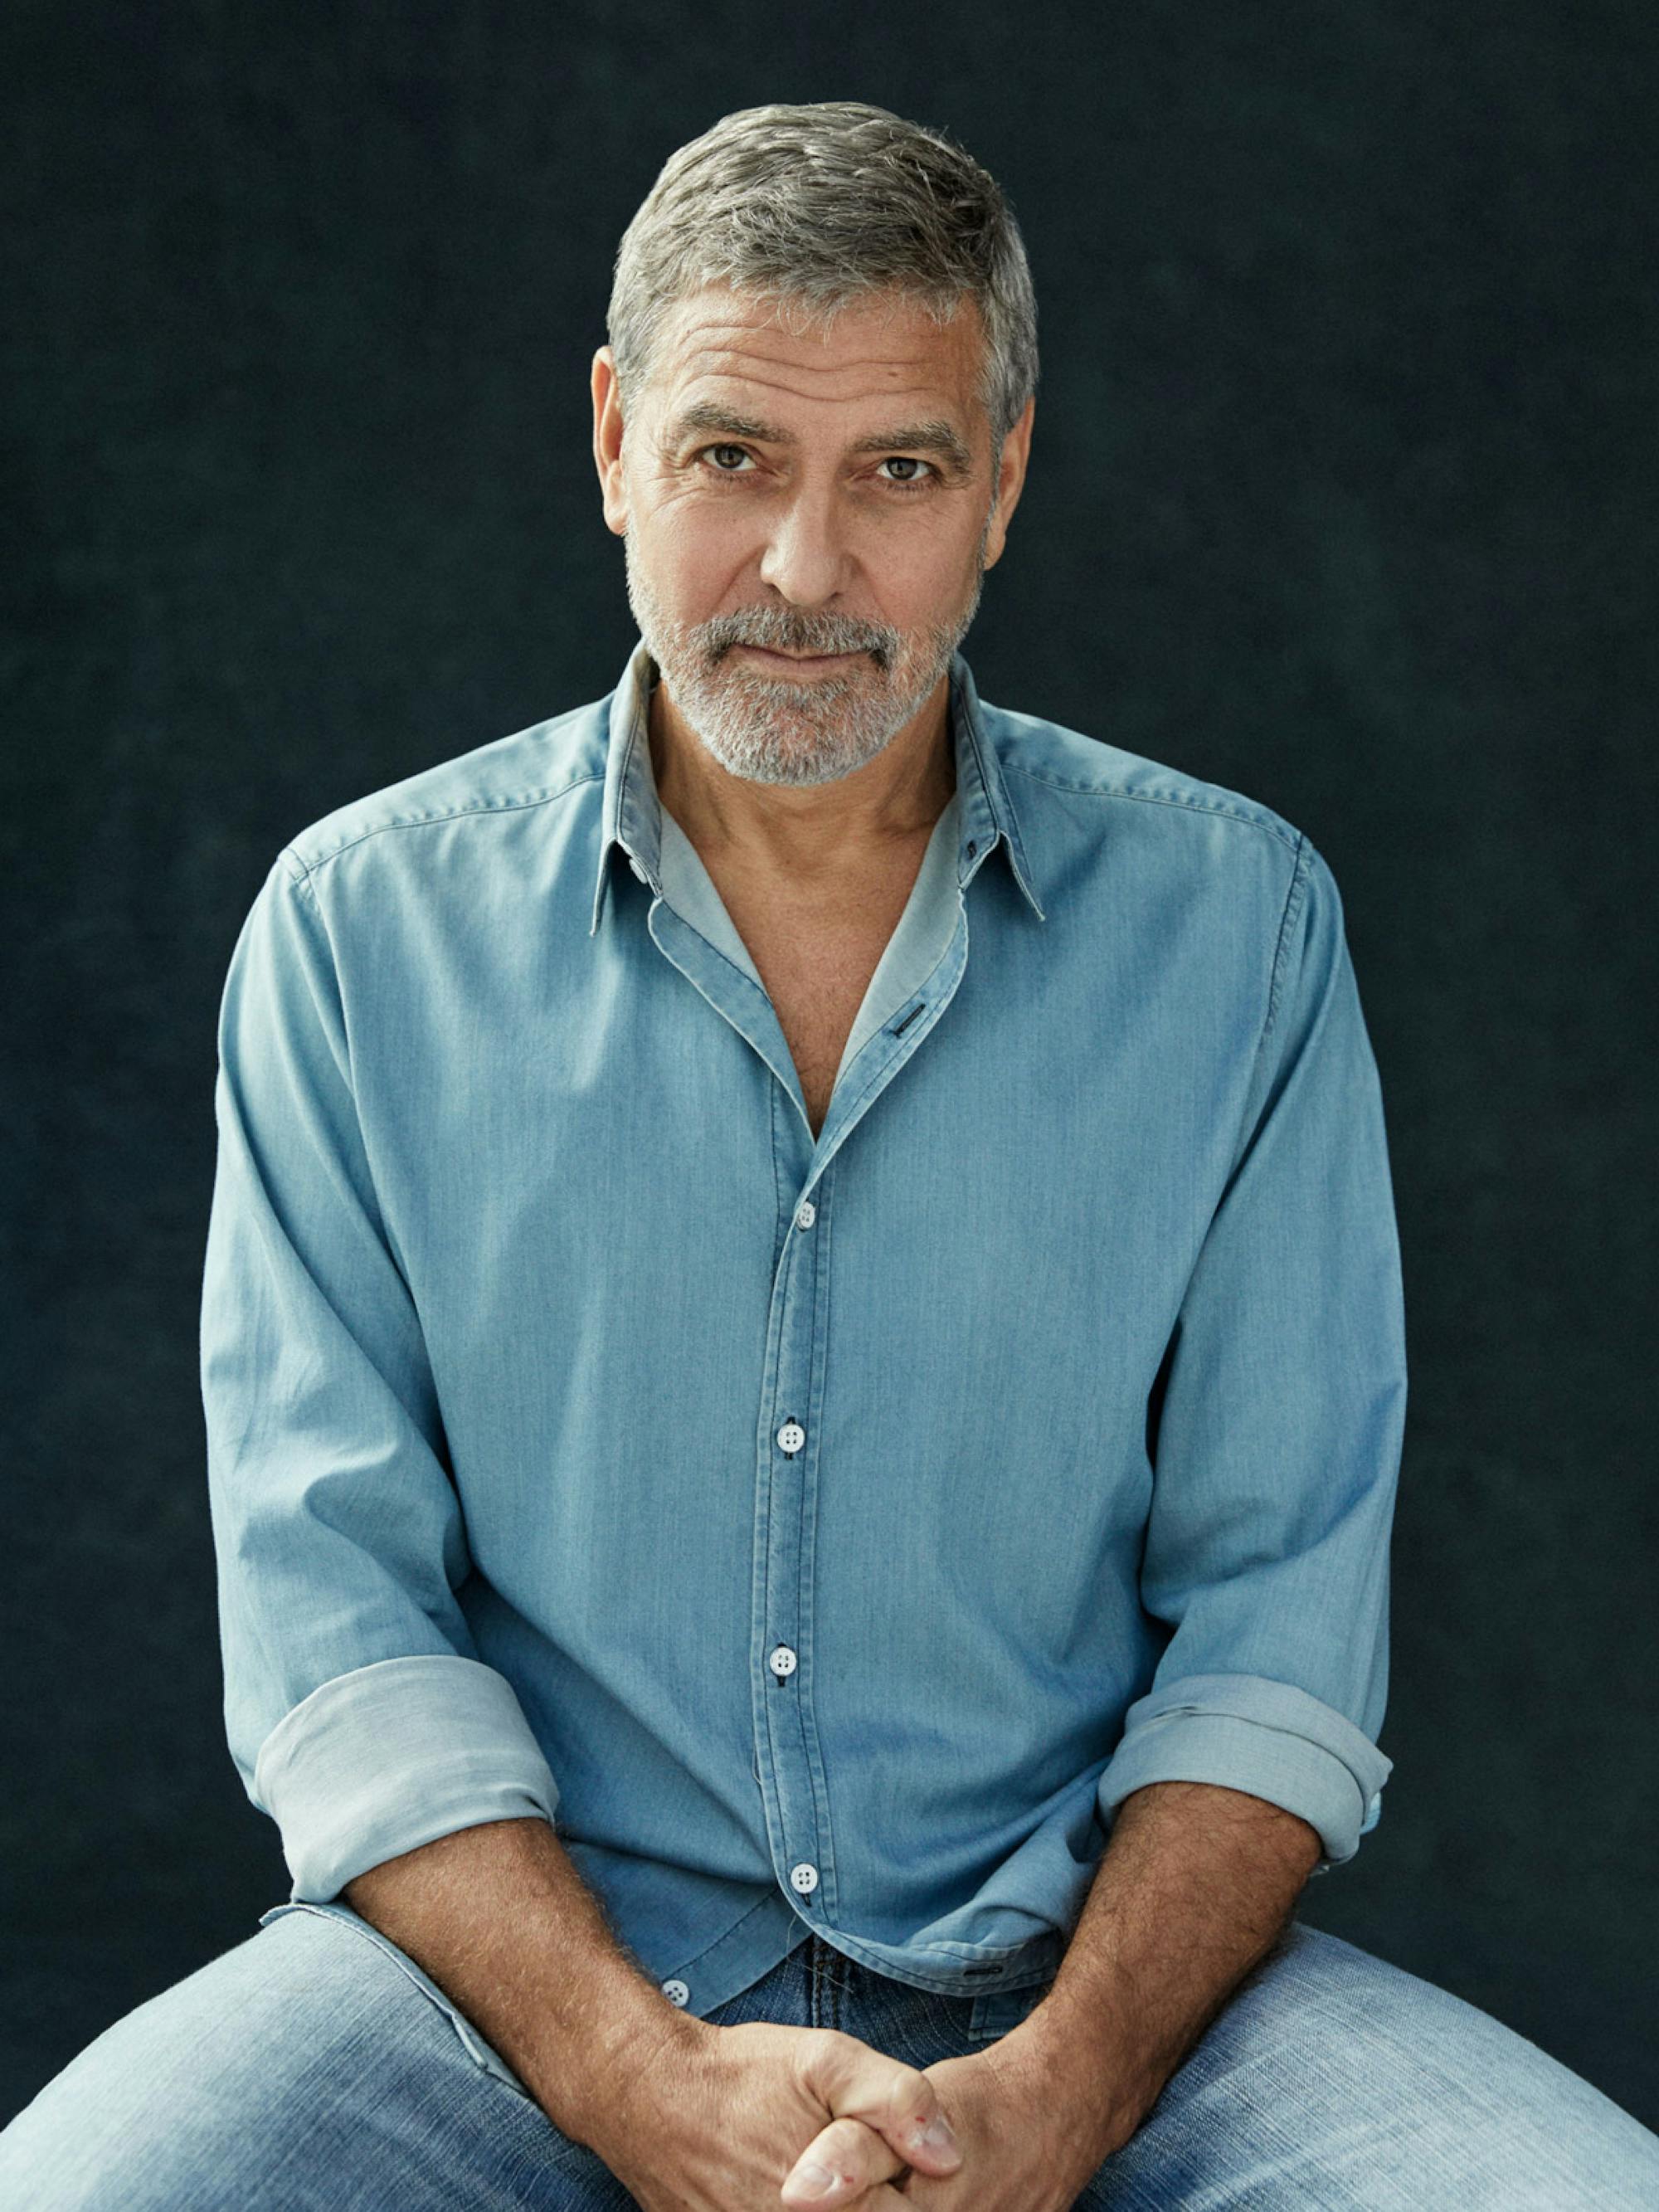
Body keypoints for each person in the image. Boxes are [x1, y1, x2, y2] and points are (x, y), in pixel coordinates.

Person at [3, 97, 1654, 2212]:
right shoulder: (354, 937)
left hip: (1102, 1991)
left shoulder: (1237, 929)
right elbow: (340, 1639)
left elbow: (1273, 1634)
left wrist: (1060, 2090)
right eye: (729, 460)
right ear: (613, 442)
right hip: (513, 1999)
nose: (804, 569)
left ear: (1005, 484)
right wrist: (632, 2076)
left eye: (897, 470)